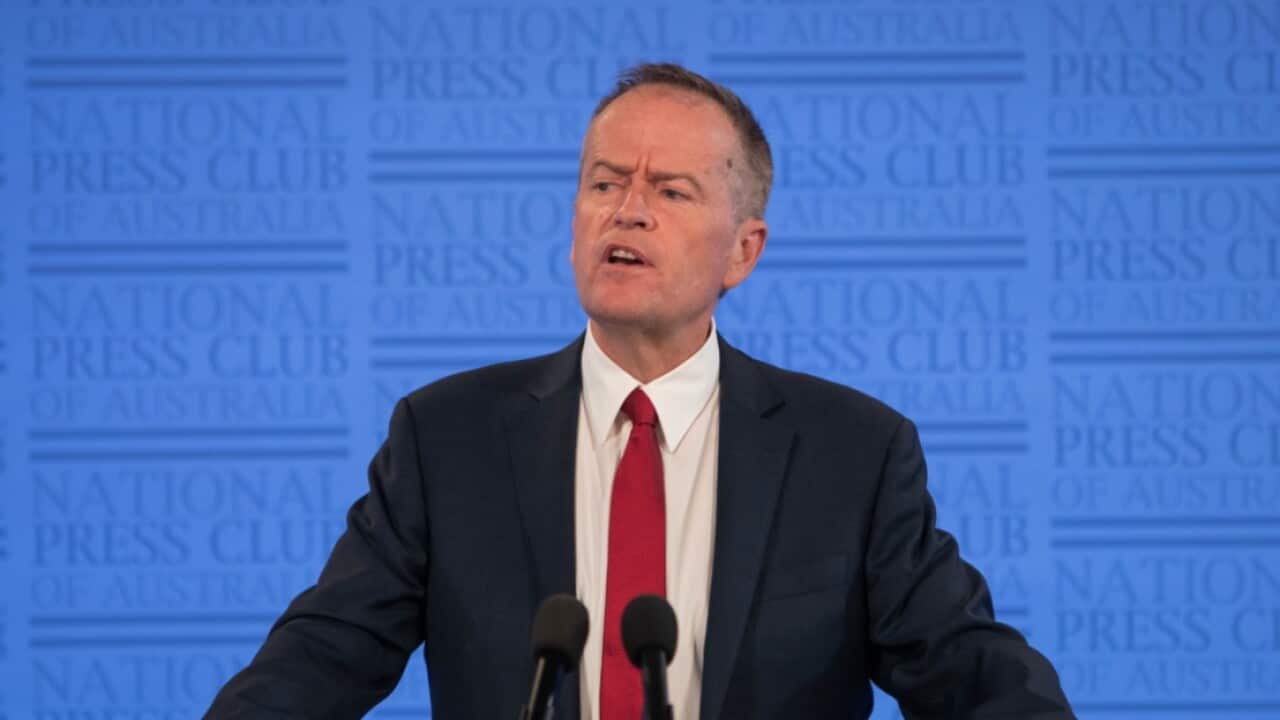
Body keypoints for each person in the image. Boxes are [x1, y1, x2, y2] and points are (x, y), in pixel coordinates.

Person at [206, 63, 1074, 719]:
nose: (627, 209)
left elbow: (965, 666)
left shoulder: (851, 452)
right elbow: (321, 658)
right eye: (604, 182)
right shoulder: (446, 438)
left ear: (743, 250)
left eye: (670, 190)